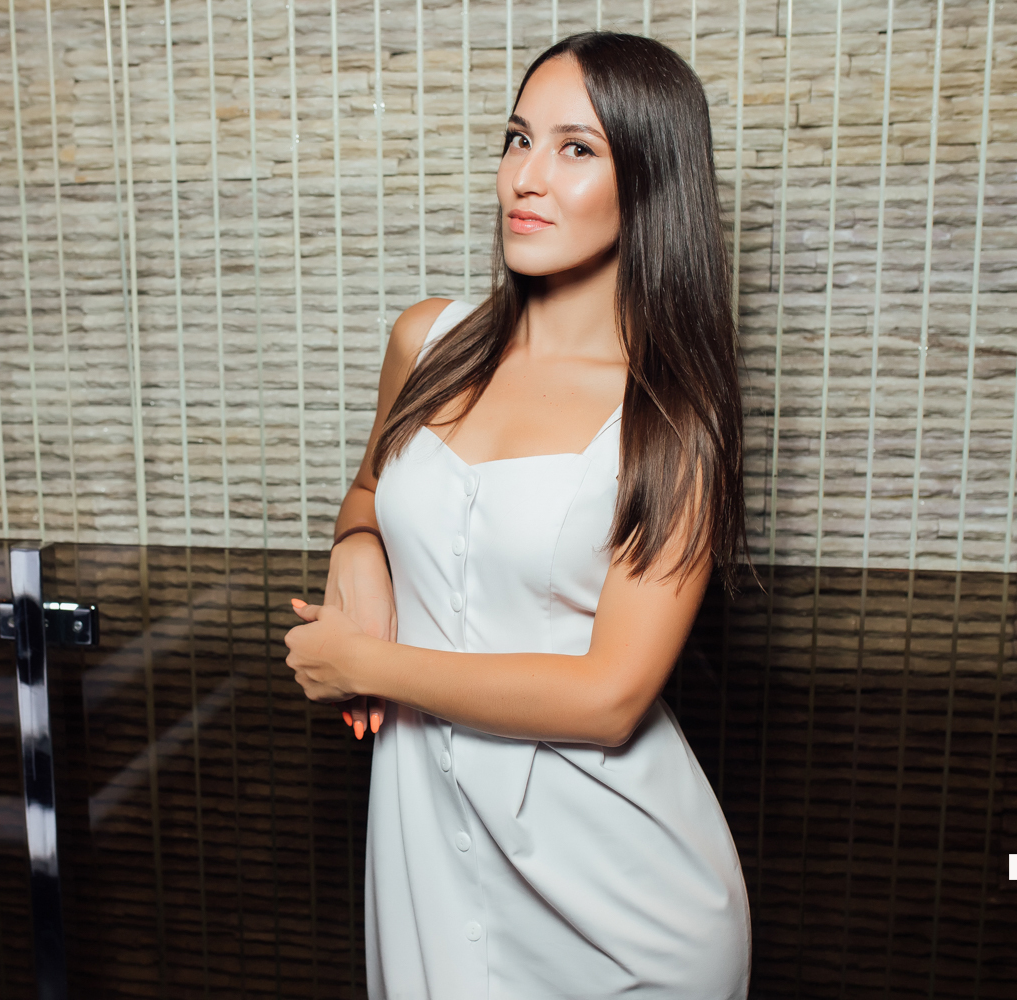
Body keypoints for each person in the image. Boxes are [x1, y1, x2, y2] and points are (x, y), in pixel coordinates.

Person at [283, 30, 753, 998]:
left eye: (576, 148)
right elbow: (370, 495)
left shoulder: (673, 419)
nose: (525, 178)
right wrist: (359, 551)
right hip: (426, 862)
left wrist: (364, 665)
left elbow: (611, 696)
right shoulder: (428, 341)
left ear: (649, 181)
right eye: (517, 139)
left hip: (621, 901)